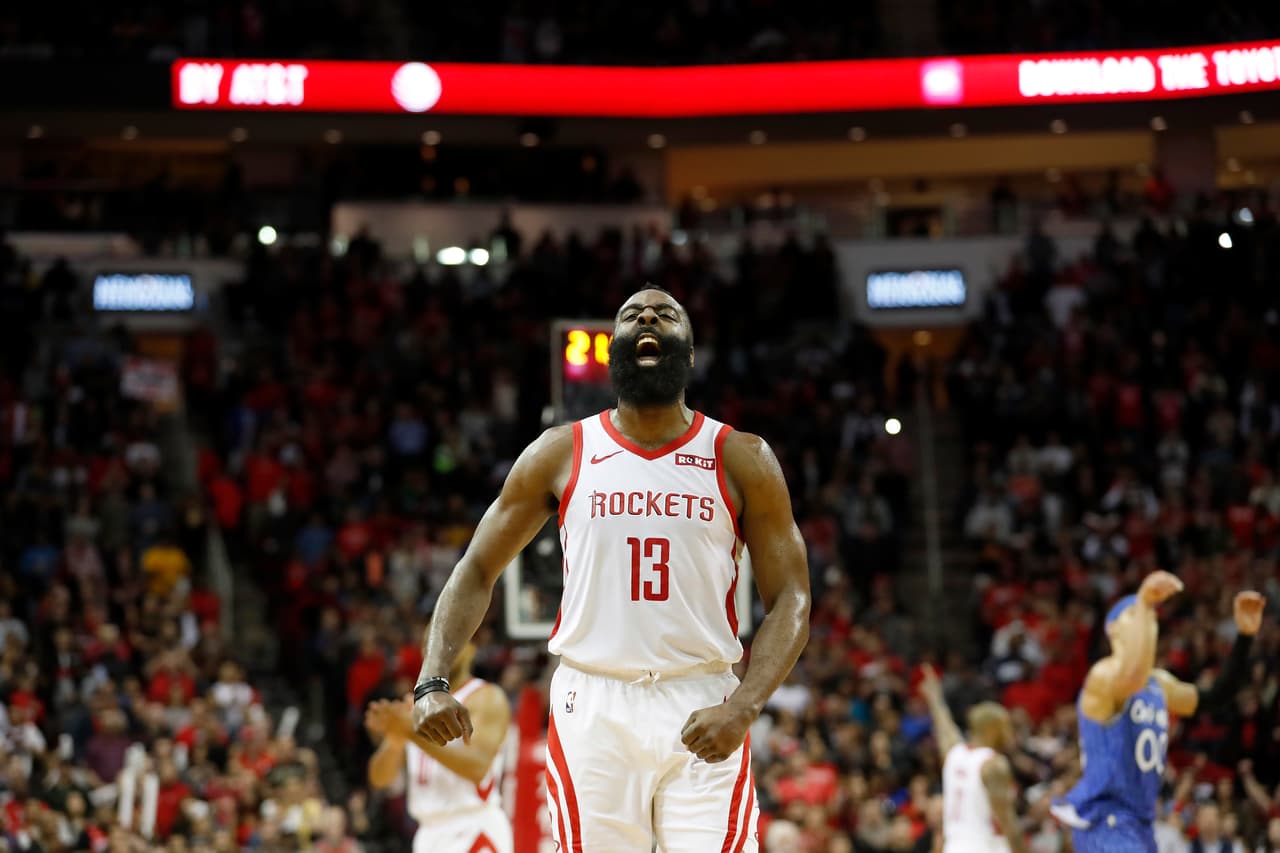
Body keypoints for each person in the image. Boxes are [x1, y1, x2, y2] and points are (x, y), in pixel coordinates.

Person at [412, 285, 811, 851]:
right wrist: (432, 679)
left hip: (703, 698)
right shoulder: (561, 451)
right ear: (612, 349)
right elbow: (476, 569)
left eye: (666, 313)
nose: (647, 316)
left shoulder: (740, 456)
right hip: (593, 702)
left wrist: (744, 707)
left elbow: (792, 597)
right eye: (631, 315)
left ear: (690, 353)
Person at [1050, 571, 1265, 852]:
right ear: (1113, 629)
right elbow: (1132, 674)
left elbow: (1215, 697)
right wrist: (1143, 601)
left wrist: (1245, 637)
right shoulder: (1104, 676)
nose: (1146, 619)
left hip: (1139, 821)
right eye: (1135, 616)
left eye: (1150, 616)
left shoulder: (1158, 683)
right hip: (1106, 817)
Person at [366, 628, 512, 853]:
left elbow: (478, 766)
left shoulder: (486, 697)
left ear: (471, 648)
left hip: (473, 828)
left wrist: (409, 730)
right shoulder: (415, 705)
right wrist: (395, 739)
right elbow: (380, 779)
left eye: (449, 640)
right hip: (428, 834)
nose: (438, 650)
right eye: (431, 643)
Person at [919, 664, 1027, 853]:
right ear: (992, 730)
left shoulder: (954, 753)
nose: (1009, 734)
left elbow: (945, 726)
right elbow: (1008, 822)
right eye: (1006, 727)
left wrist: (934, 698)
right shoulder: (993, 765)